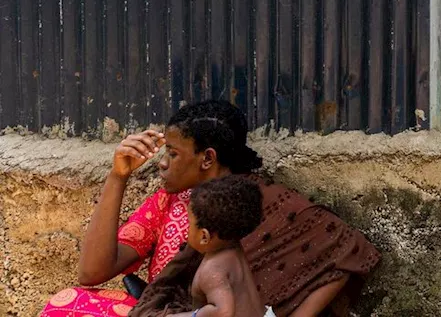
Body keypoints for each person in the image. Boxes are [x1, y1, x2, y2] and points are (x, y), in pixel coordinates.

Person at [41, 100, 379, 317]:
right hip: (161, 310)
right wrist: (118, 176)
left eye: (172, 154)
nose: (162, 164)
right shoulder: (168, 200)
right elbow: (91, 274)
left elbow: (344, 249)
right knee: (69, 301)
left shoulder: (262, 205)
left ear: (207, 158)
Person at [178, 176, 271, 317]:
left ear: (204, 236)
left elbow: (223, 312)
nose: (187, 229)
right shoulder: (233, 246)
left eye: (189, 223)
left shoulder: (211, 270)